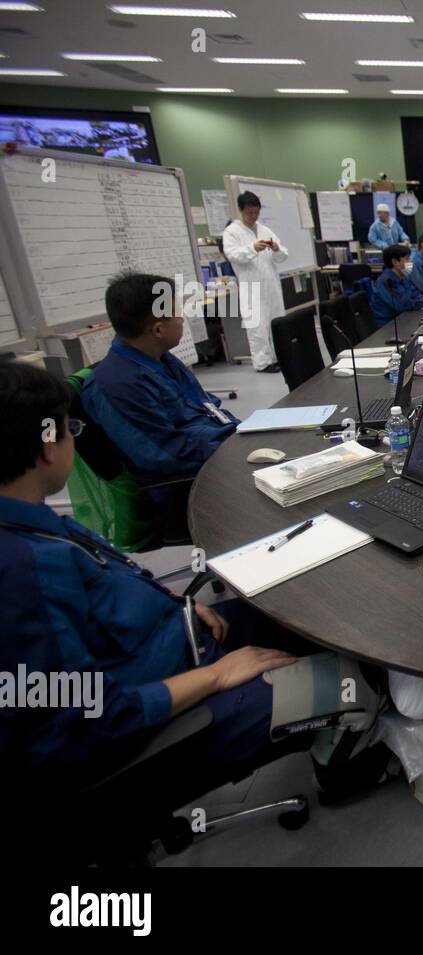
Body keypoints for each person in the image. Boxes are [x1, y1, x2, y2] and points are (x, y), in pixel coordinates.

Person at [0, 362, 314, 853]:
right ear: (46, 447)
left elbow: (105, 576)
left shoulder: (25, 517)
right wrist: (215, 676)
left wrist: (176, 602)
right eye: (70, 428)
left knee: (299, 613)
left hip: (165, 644)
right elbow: (83, 721)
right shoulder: (20, 574)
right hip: (151, 722)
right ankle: (354, 762)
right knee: (343, 681)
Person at [81, 272, 238, 490]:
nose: (182, 319)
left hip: (215, 452)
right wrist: (232, 444)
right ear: (158, 330)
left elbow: (205, 407)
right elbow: (165, 455)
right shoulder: (118, 384)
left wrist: (242, 433)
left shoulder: (160, 359)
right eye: (177, 314)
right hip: (189, 483)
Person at [220, 190, 287, 372]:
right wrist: (252, 248)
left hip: (270, 284)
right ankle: (263, 362)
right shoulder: (232, 232)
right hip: (251, 286)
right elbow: (232, 255)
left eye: (256, 212)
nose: (253, 216)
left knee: (276, 322)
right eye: (250, 213)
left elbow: (283, 255)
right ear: (241, 210)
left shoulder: (264, 230)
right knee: (257, 326)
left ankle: (278, 357)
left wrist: (276, 249)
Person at [370, 244, 423, 323]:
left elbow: (414, 293)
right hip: (389, 324)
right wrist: (422, 301)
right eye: (407, 259)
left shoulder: (403, 276)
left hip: (403, 317)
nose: (410, 262)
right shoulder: (386, 281)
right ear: (395, 262)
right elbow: (402, 305)